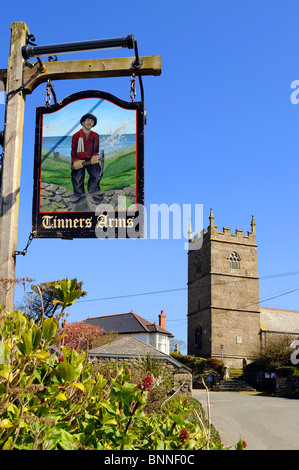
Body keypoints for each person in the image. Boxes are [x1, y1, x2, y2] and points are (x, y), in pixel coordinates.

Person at [70, 113, 103, 203]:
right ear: (83, 122)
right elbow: (73, 151)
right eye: (88, 120)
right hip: (78, 158)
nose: (90, 122)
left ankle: (94, 190)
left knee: (97, 173)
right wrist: (75, 161)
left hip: (91, 158)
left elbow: (96, 148)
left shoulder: (95, 135)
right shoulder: (76, 135)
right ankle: (78, 193)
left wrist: (95, 155)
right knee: (77, 177)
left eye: (92, 121)